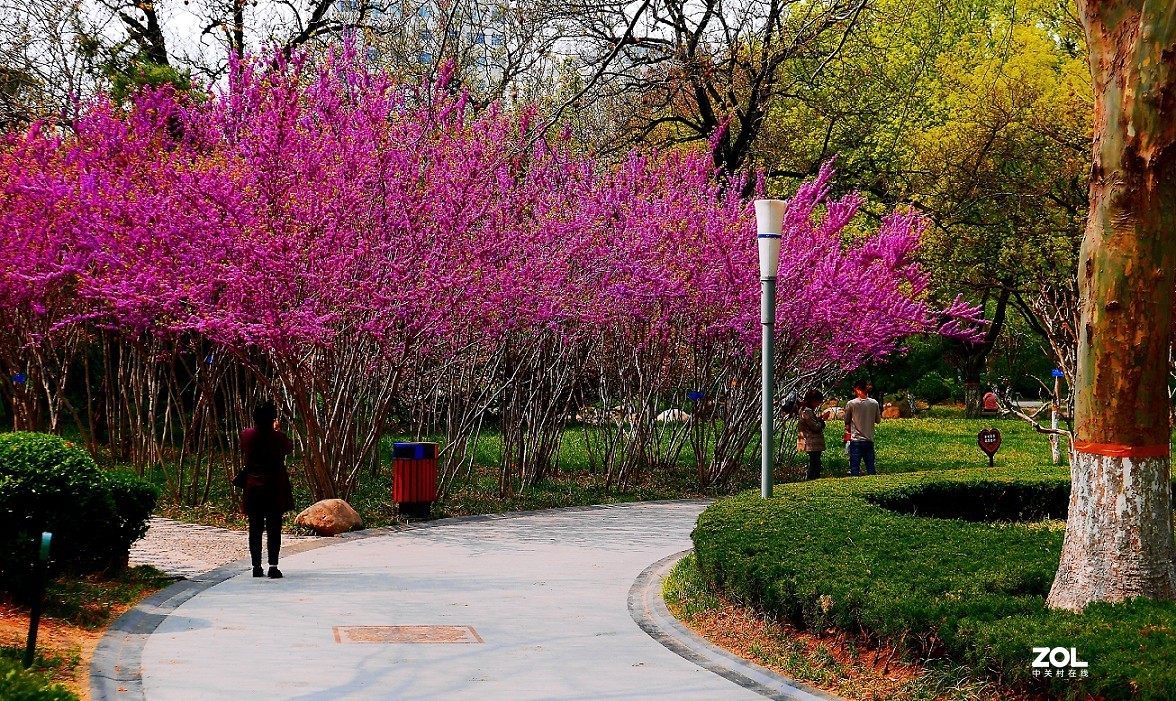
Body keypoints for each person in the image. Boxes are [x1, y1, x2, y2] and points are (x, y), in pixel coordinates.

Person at [240, 401, 295, 579]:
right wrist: (277, 430)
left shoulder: (246, 434)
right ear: (273, 418)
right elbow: (288, 447)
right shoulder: (277, 437)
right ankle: (273, 566)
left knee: (254, 528)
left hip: (253, 487)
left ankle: (256, 566)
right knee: (274, 528)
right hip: (274, 487)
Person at [844, 380, 881, 476]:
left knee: (854, 469)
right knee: (871, 468)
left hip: (856, 440)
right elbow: (878, 420)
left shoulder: (851, 404)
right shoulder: (874, 403)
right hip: (869, 439)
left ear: (856, 389)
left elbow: (847, 421)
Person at [796, 390, 827, 480]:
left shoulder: (804, 410)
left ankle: (813, 479)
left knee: (815, 462)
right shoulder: (807, 411)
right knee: (815, 464)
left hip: (811, 443)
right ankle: (811, 480)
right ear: (813, 401)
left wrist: (819, 418)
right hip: (811, 443)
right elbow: (815, 427)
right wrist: (822, 420)